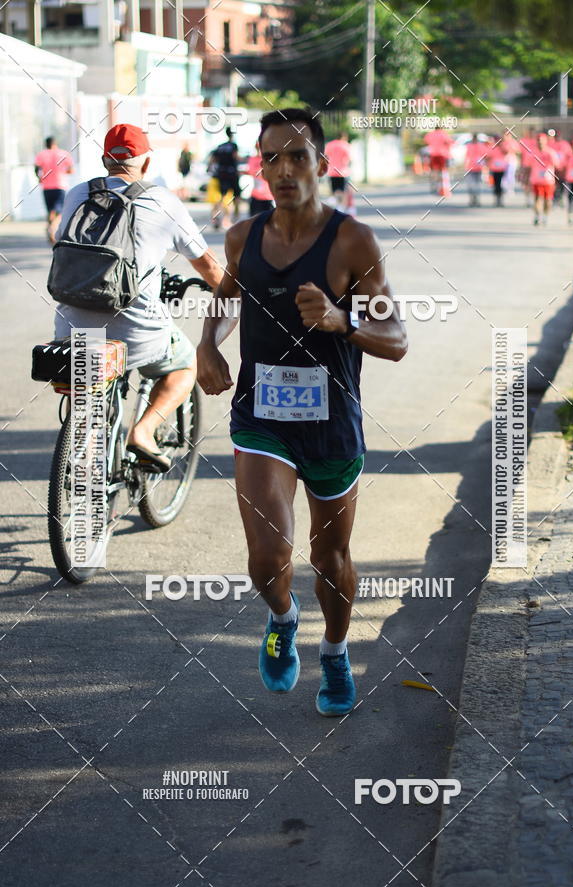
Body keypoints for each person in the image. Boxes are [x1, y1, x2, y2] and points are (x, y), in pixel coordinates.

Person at [196, 108, 407, 716]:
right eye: (271, 158)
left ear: (321, 163)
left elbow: (396, 337)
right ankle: (283, 621)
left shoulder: (351, 240)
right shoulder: (242, 237)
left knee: (329, 556)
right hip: (261, 416)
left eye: (297, 156)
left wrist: (343, 321)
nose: (283, 170)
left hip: (332, 423)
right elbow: (225, 298)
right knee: (268, 554)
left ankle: (336, 653)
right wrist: (209, 344)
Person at [53, 123, 224, 471]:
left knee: (84, 373)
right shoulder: (163, 201)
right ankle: (143, 432)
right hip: (135, 330)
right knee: (186, 361)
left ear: (105, 161)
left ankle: (83, 449)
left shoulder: (76, 195)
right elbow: (208, 266)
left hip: (70, 326)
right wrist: (232, 290)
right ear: (146, 164)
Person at [34, 136, 74, 245]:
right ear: (55, 144)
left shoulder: (41, 154)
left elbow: (37, 168)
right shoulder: (64, 154)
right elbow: (71, 170)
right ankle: (52, 229)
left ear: (46, 144)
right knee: (59, 210)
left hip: (46, 186)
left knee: (50, 210)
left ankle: (50, 228)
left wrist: (39, 178)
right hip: (60, 185)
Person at [209, 126, 241, 229]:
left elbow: (213, 160)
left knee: (221, 198)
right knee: (237, 196)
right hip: (232, 174)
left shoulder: (220, 146)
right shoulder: (233, 145)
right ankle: (235, 218)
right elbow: (236, 157)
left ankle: (217, 218)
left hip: (221, 174)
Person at [530, 132, 559, 226]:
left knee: (548, 200)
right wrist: (525, 178)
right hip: (536, 180)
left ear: (546, 141)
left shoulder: (551, 152)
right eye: (538, 140)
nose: (540, 142)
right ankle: (538, 216)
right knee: (537, 199)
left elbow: (558, 165)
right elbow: (527, 166)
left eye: (542, 140)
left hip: (548, 180)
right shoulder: (533, 152)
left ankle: (545, 216)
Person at [324, 132, 355, 215]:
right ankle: (341, 208)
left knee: (336, 190)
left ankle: (337, 205)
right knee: (344, 191)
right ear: (344, 137)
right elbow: (350, 159)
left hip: (332, 171)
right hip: (343, 172)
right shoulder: (345, 145)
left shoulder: (329, 145)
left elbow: (325, 157)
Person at [245, 143, 274, 216]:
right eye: (258, 148)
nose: (260, 150)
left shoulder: (269, 159)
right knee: (254, 221)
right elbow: (253, 172)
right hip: (256, 196)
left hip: (268, 197)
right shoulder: (252, 159)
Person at [423, 128, 453, 196]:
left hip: (433, 154)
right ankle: (444, 187)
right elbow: (449, 142)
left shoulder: (430, 134)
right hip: (442, 154)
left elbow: (425, 141)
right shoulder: (443, 133)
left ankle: (435, 185)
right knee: (444, 171)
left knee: (434, 171)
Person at [464, 134, 487, 206]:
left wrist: (485, 166)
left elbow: (485, 156)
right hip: (470, 168)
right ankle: (472, 199)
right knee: (471, 185)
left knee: (478, 185)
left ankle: (477, 200)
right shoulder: (469, 146)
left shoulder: (481, 146)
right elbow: (467, 156)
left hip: (479, 168)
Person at [487, 137, 508, 206]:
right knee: (495, 185)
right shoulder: (492, 147)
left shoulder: (502, 147)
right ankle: (496, 199)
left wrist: (501, 146)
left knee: (500, 184)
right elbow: (488, 157)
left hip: (501, 169)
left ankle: (500, 199)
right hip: (494, 169)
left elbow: (506, 152)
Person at [518, 127, 536, 206]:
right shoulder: (524, 141)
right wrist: (521, 165)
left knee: (533, 182)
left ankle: (533, 198)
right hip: (525, 164)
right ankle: (527, 198)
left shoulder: (537, 141)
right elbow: (520, 154)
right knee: (526, 182)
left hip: (535, 165)